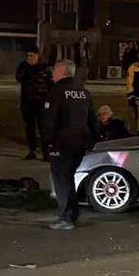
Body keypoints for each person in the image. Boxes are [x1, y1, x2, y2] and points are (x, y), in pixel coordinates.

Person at [44, 60, 93, 231]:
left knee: (61, 180)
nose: (53, 73)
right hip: (80, 143)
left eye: (55, 70)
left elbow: (50, 121)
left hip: (61, 143)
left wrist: (48, 144)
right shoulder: (83, 92)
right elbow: (93, 120)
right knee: (69, 177)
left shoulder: (56, 92)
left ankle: (66, 218)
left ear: (62, 72)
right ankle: (73, 214)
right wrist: (92, 141)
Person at [15, 49, 52, 160]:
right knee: (29, 128)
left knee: (43, 128)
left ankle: (46, 153)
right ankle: (32, 151)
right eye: (27, 55)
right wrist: (27, 68)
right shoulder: (23, 66)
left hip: (41, 102)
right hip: (27, 102)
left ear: (37, 56)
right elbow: (19, 78)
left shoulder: (45, 67)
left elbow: (51, 84)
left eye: (32, 55)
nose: (29, 58)